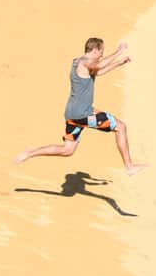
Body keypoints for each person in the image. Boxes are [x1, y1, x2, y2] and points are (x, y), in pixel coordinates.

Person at [15, 37, 147, 176]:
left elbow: (99, 71)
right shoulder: (85, 62)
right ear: (95, 50)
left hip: (72, 114)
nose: (101, 55)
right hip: (83, 114)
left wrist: (119, 63)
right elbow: (100, 65)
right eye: (101, 52)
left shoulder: (78, 62)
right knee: (120, 127)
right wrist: (118, 51)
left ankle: (30, 153)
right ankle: (129, 167)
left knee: (67, 150)